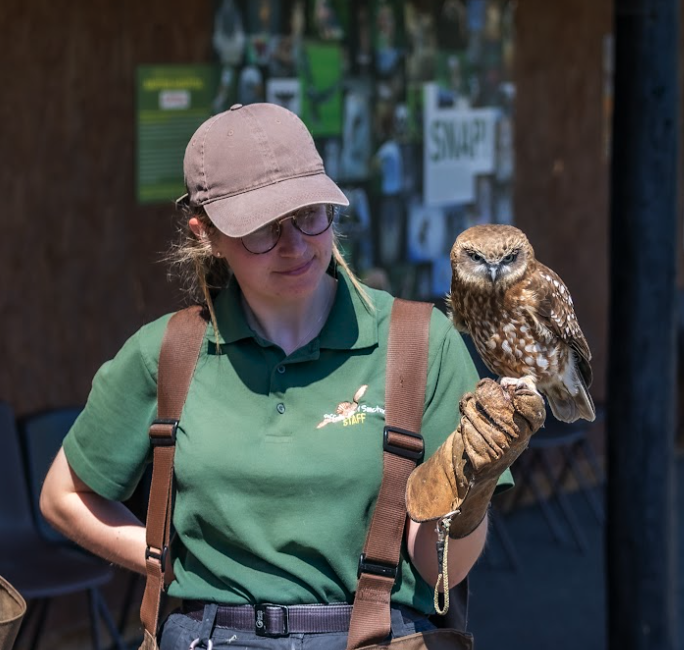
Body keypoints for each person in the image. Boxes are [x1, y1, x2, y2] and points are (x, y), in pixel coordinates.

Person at [40, 103, 544, 650]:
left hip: (371, 636)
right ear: (205, 233)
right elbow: (63, 495)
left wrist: (472, 493)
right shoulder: (168, 352)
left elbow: (436, 565)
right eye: (262, 229)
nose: (296, 244)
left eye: (309, 214)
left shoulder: (420, 343)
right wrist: (168, 558)